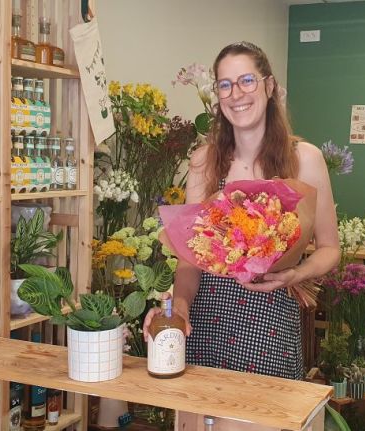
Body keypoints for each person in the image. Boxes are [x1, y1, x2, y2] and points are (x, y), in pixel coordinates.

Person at [145, 41, 340, 429]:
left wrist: (295, 274)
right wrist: (179, 309)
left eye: (247, 80)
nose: (236, 94)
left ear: (269, 86)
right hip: (210, 319)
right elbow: (190, 259)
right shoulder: (204, 162)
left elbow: (330, 249)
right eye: (225, 85)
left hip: (271, 323)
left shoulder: (305, 160)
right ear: (217, 96)